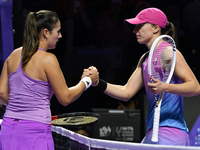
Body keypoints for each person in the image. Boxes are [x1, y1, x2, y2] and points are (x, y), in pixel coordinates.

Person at [85, 8, 200, 146]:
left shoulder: (168, 52)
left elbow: (195, 86)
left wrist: (164, 87)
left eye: (140, 26)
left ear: (156, 28)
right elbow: (126, 91)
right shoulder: (145, 58)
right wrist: (98, 83)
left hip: (171, 133)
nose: (134, 31)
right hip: (154, 132)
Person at [0, 10, 98, 150]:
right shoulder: (48, 60)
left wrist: (23, 108)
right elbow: (65, 98)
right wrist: (87, 81)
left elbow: (2, 92)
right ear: (46, 32)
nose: (60, 36)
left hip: (8, 129)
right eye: (57, 31)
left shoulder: (13, 55)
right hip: (35, 133)